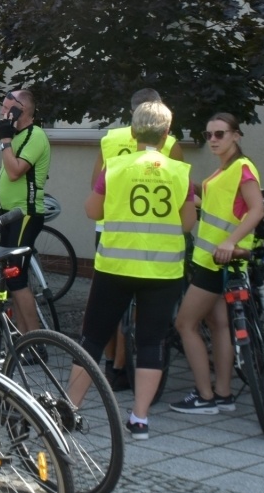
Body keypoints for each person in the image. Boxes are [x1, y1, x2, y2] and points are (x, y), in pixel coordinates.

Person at [80, 101, 196, 440]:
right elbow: (188, 222)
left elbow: (91, 210)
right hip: (162, 272)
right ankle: (140, 418)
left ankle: (69, 408)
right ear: (166, 135)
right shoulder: (178, 171)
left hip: (115, 266)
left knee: (92, 338)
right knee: (151, 342)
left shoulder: (116, 166)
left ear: (133, 132)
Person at [171, 113, 264, 416]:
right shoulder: (223, 170)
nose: (213, 139)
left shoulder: (243, 168)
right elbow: (213, 204)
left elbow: (257, 210)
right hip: (211, 259)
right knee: (219, 324)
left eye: (220, 134)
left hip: (218, 261)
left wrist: (230, 242)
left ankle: (205, 395)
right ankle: (223, 394)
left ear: (236, 135)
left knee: (185, 324)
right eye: (209, 134)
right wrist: (184, 184)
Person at [91, 88, 186, 383]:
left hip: (111, 229)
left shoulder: (109, 140)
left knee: (106, 308)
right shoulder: (170, 143)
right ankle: (124, 363)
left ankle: (109, 364)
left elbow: (95, 184)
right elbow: (181, 196)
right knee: (144, 308)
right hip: (154, 237)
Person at [0, 89, 50, 334]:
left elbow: (16, 170)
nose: (2, 113)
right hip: (9, 214)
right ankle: (22, 335)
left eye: (7, 109)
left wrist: (5, 141)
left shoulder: (35, 135)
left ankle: (35, 342)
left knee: (17, 278)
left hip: (25, 214)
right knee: (9, 276)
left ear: (20, 110)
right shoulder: (17, 136)